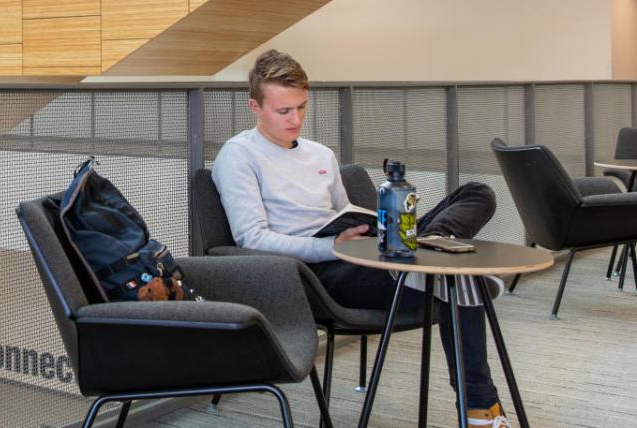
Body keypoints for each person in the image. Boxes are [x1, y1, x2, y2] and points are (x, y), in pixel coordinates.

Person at [211, 49, 509, 427]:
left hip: (362, 252)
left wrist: (373, 227)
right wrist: (330, 246)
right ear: (255, 106)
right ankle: (482, 412)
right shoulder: (239, 155)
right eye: (283, 111)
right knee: (461, 281)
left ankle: (429, 240)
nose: (296, 119)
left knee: (478, 192)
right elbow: (251, 238)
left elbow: (342, 212)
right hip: (317, 274)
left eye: (301, 107)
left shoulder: (320, 153)